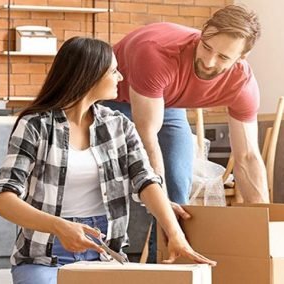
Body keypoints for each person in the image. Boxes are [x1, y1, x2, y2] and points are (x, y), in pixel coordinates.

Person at [0, 37, 216, 284]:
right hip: (44, 257)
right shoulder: (35, 125)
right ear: (89, 75)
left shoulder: (118, 125)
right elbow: (4, 200)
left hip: (105, 256)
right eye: (114, 71)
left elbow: (146, 180)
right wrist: (61, 227)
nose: (120, 77)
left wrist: (175, 234)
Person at [101, 5, 267, 263]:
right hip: (112, 98)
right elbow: (148, 137)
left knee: (177, 187)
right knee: (107, 180)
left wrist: (264, 232)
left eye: (224, 57)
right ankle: (96, 263)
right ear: (202, 34)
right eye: (207, 47)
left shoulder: (242, 84)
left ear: (241, 59)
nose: (209, 62)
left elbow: (247, 157)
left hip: (166, 103)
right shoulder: (157, 52)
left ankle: (166, 267)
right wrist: (159, 200)